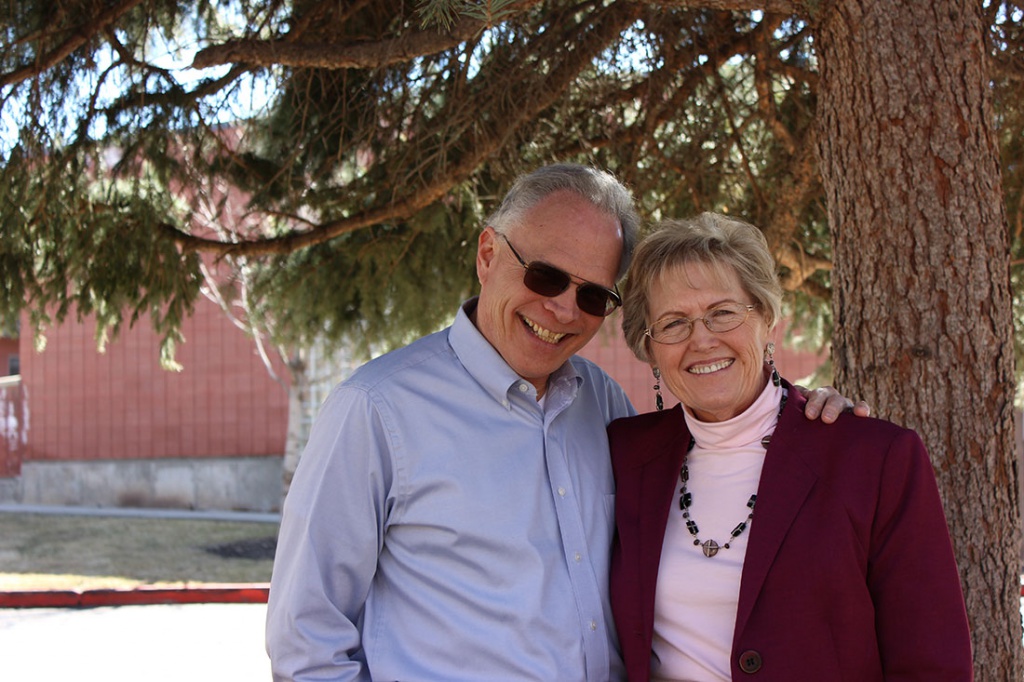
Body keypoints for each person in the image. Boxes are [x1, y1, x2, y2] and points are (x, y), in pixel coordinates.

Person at [265, 166, 863, 682]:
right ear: (488, 255)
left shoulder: (601, 403)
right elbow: (307, 633)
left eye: (594, 296)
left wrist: (800, 413)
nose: (561, 310)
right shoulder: (376, 409)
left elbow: (721, 443)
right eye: (546, 276)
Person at [608, 213, 972, 681]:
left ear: (766, 320)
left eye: (723, 312)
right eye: (674, 323)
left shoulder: (873, 460)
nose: (702, 339)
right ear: (650, 347)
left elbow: (932, 663)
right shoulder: (624, 456)